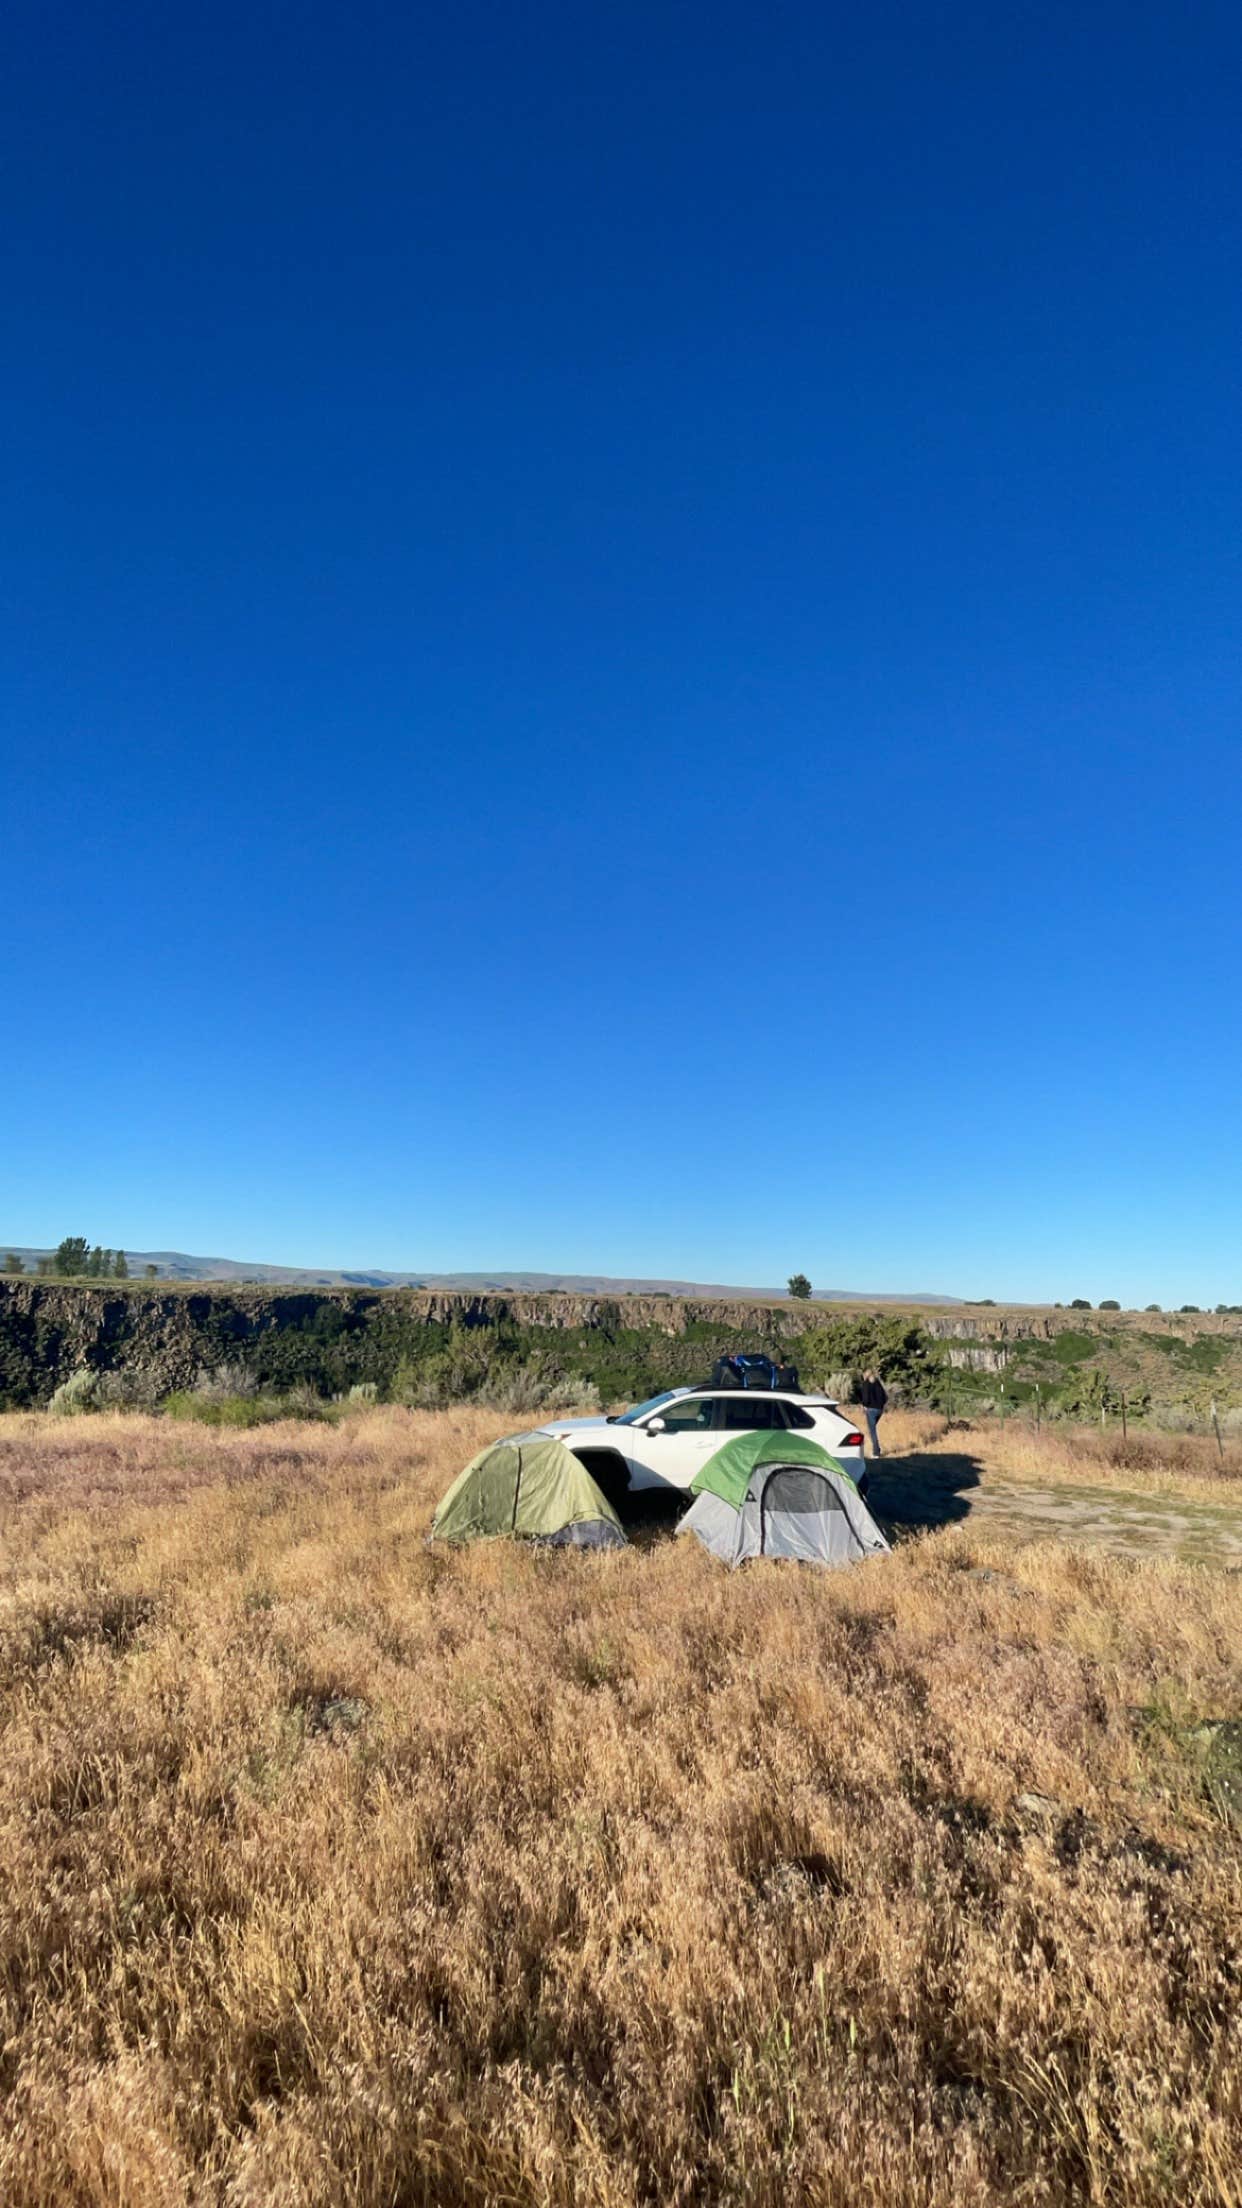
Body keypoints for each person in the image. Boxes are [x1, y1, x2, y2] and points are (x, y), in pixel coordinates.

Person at [858, 1369, 887, 1456]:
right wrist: (881, 1405)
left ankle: (876, 1452)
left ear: (866, 1375)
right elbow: (885, 1397)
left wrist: (864, 1405)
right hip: (880, 1410)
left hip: (871, 1410)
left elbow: (866, 1398)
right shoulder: (878, 1383)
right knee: (872, 1430)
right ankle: (876, 1449)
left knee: (872, 1431)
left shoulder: (866, 1384)